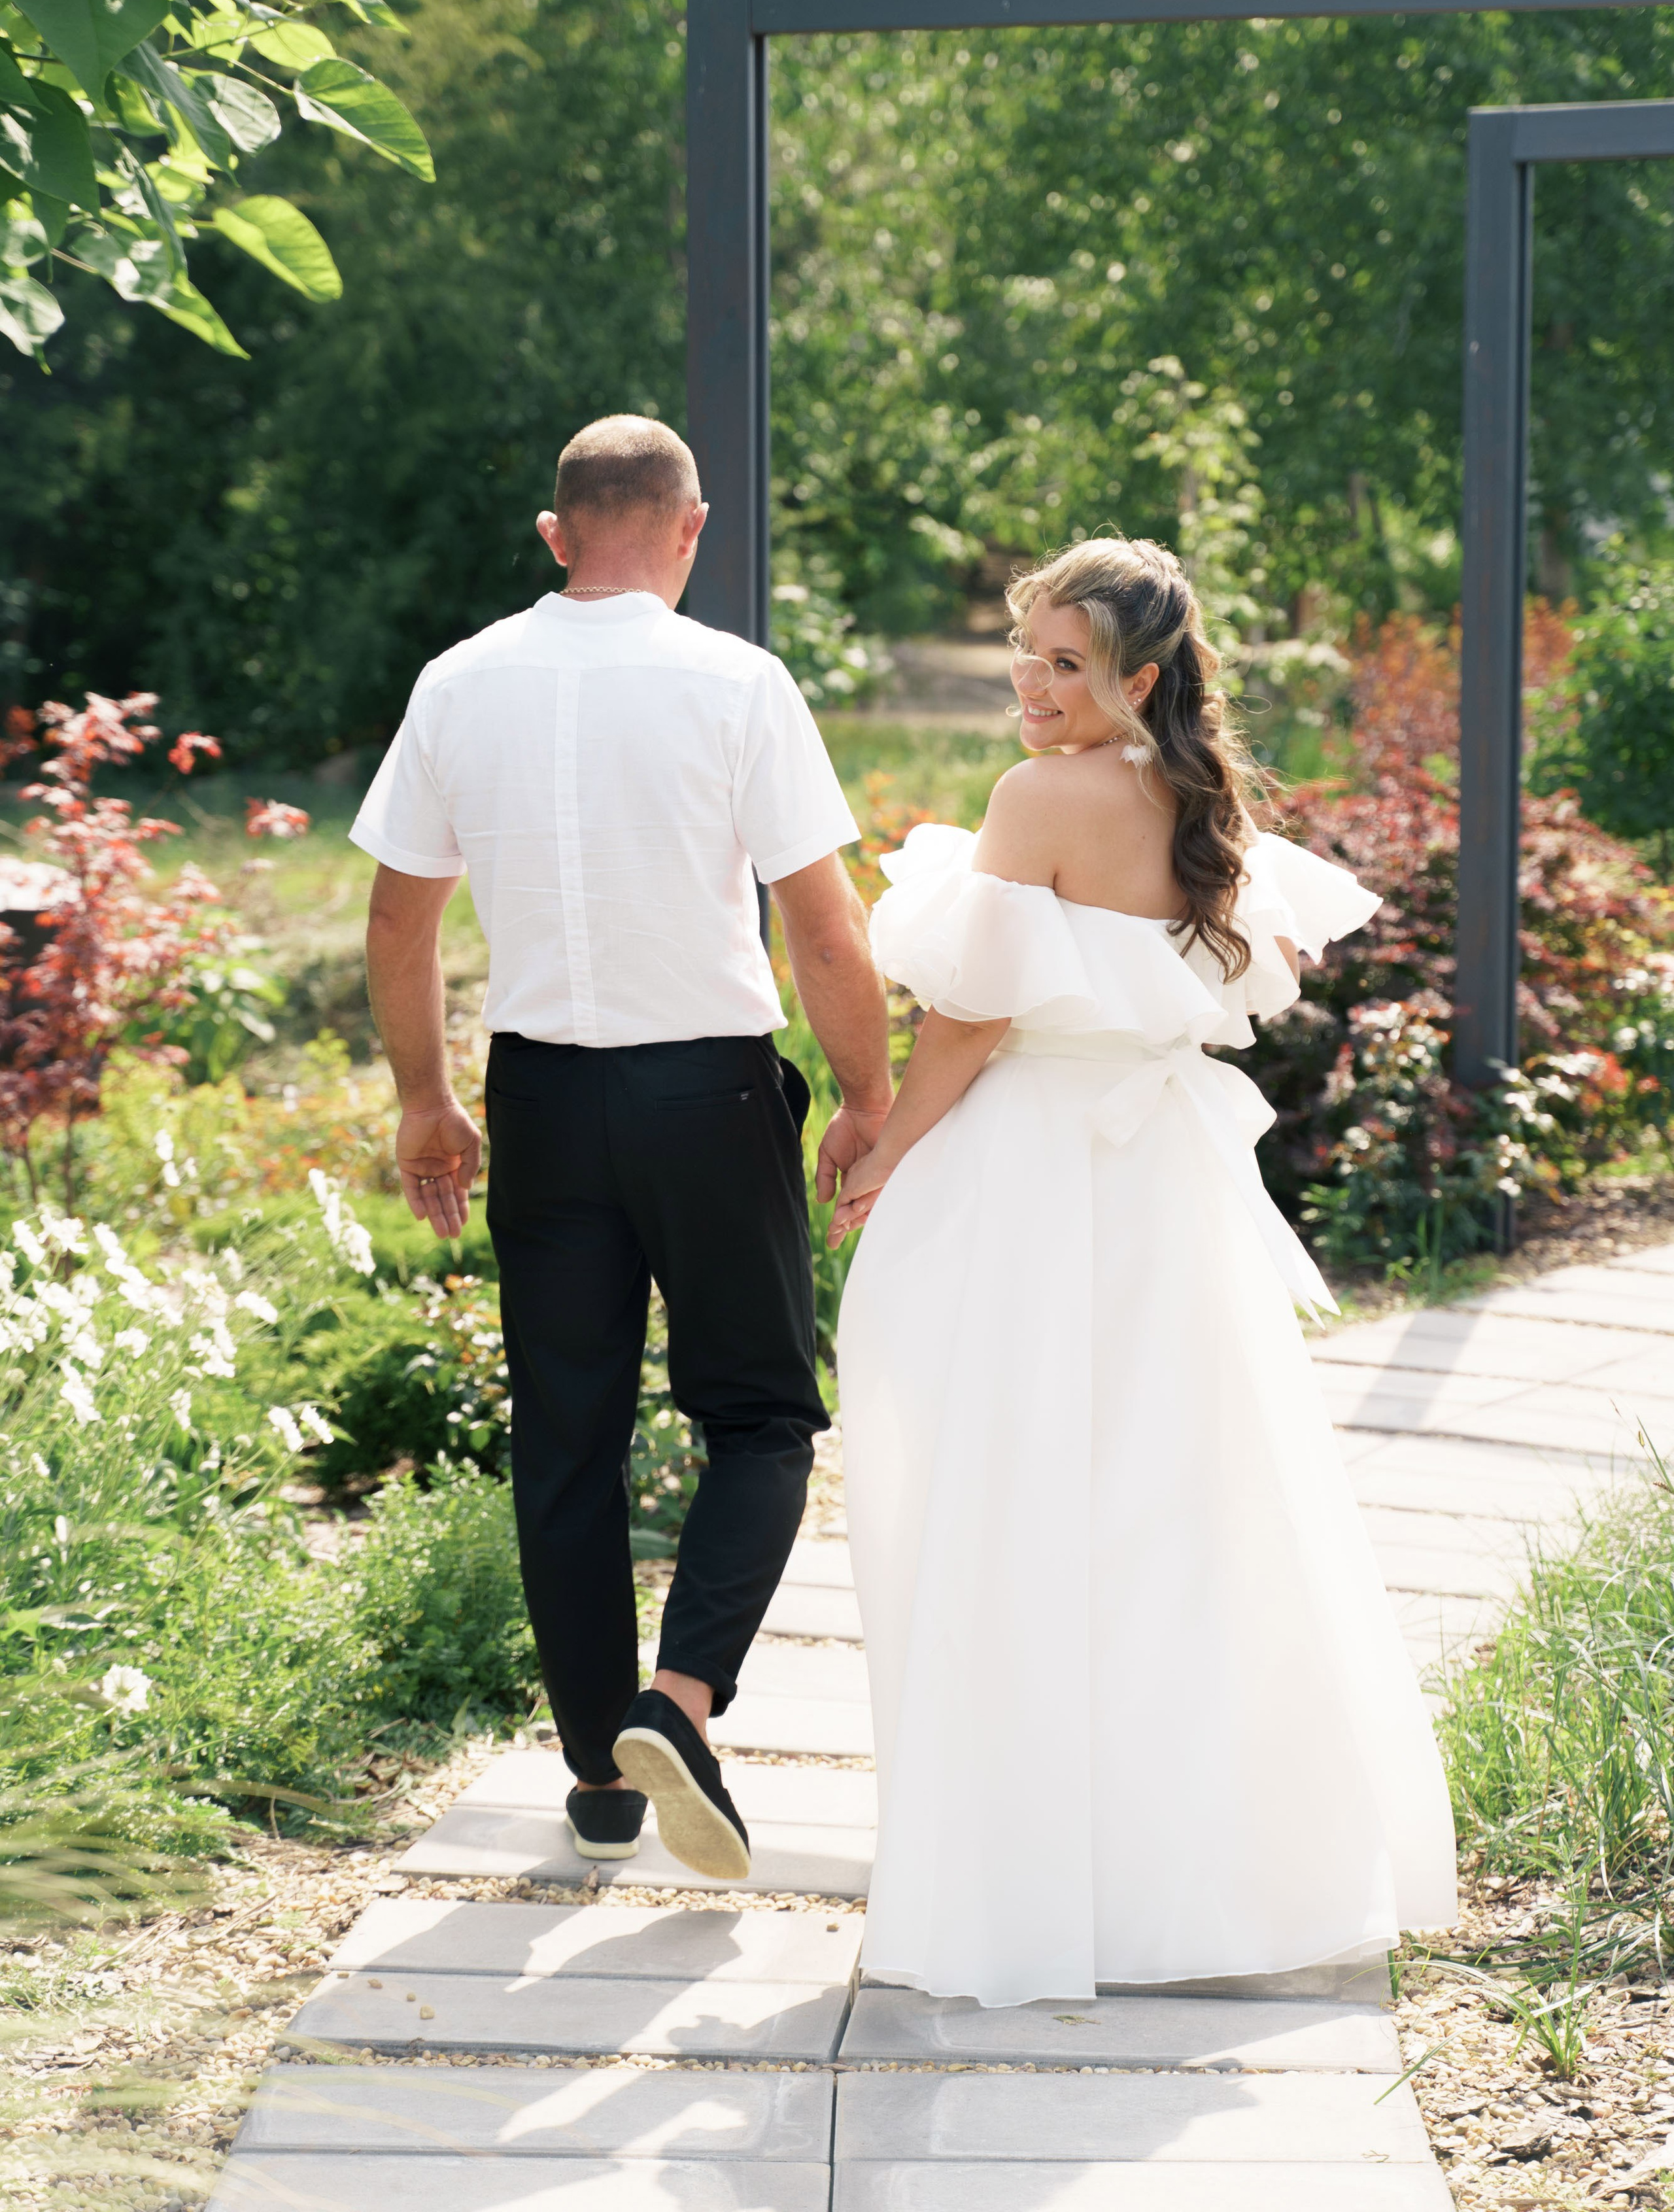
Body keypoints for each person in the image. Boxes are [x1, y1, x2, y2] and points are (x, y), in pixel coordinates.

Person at [829, 535, 1458, 2009]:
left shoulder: (1034, 799)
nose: (1033, 689)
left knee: (1004, 1493)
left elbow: (971, 1020)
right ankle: (1203, 1877)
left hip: (1036, 1168)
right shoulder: (1199, 800)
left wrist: (886, 1155)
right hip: (1161, 1178)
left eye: (1066, 664)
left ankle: (1027, 1878)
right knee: (1178, 1503)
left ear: (1140, 675)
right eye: (1025, 656)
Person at [350, 415, 891, 1882]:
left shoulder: (457, 683)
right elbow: (823, 925)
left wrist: (424, 1099)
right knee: (761, 1418)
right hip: (708, 1101)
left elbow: (400, 921)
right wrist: (866, 1096)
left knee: (568, 1438)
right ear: (691, 526)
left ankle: (599, 1770)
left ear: (552, 535)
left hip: (536, 1102)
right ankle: (682, 1696)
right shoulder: (735, 684)